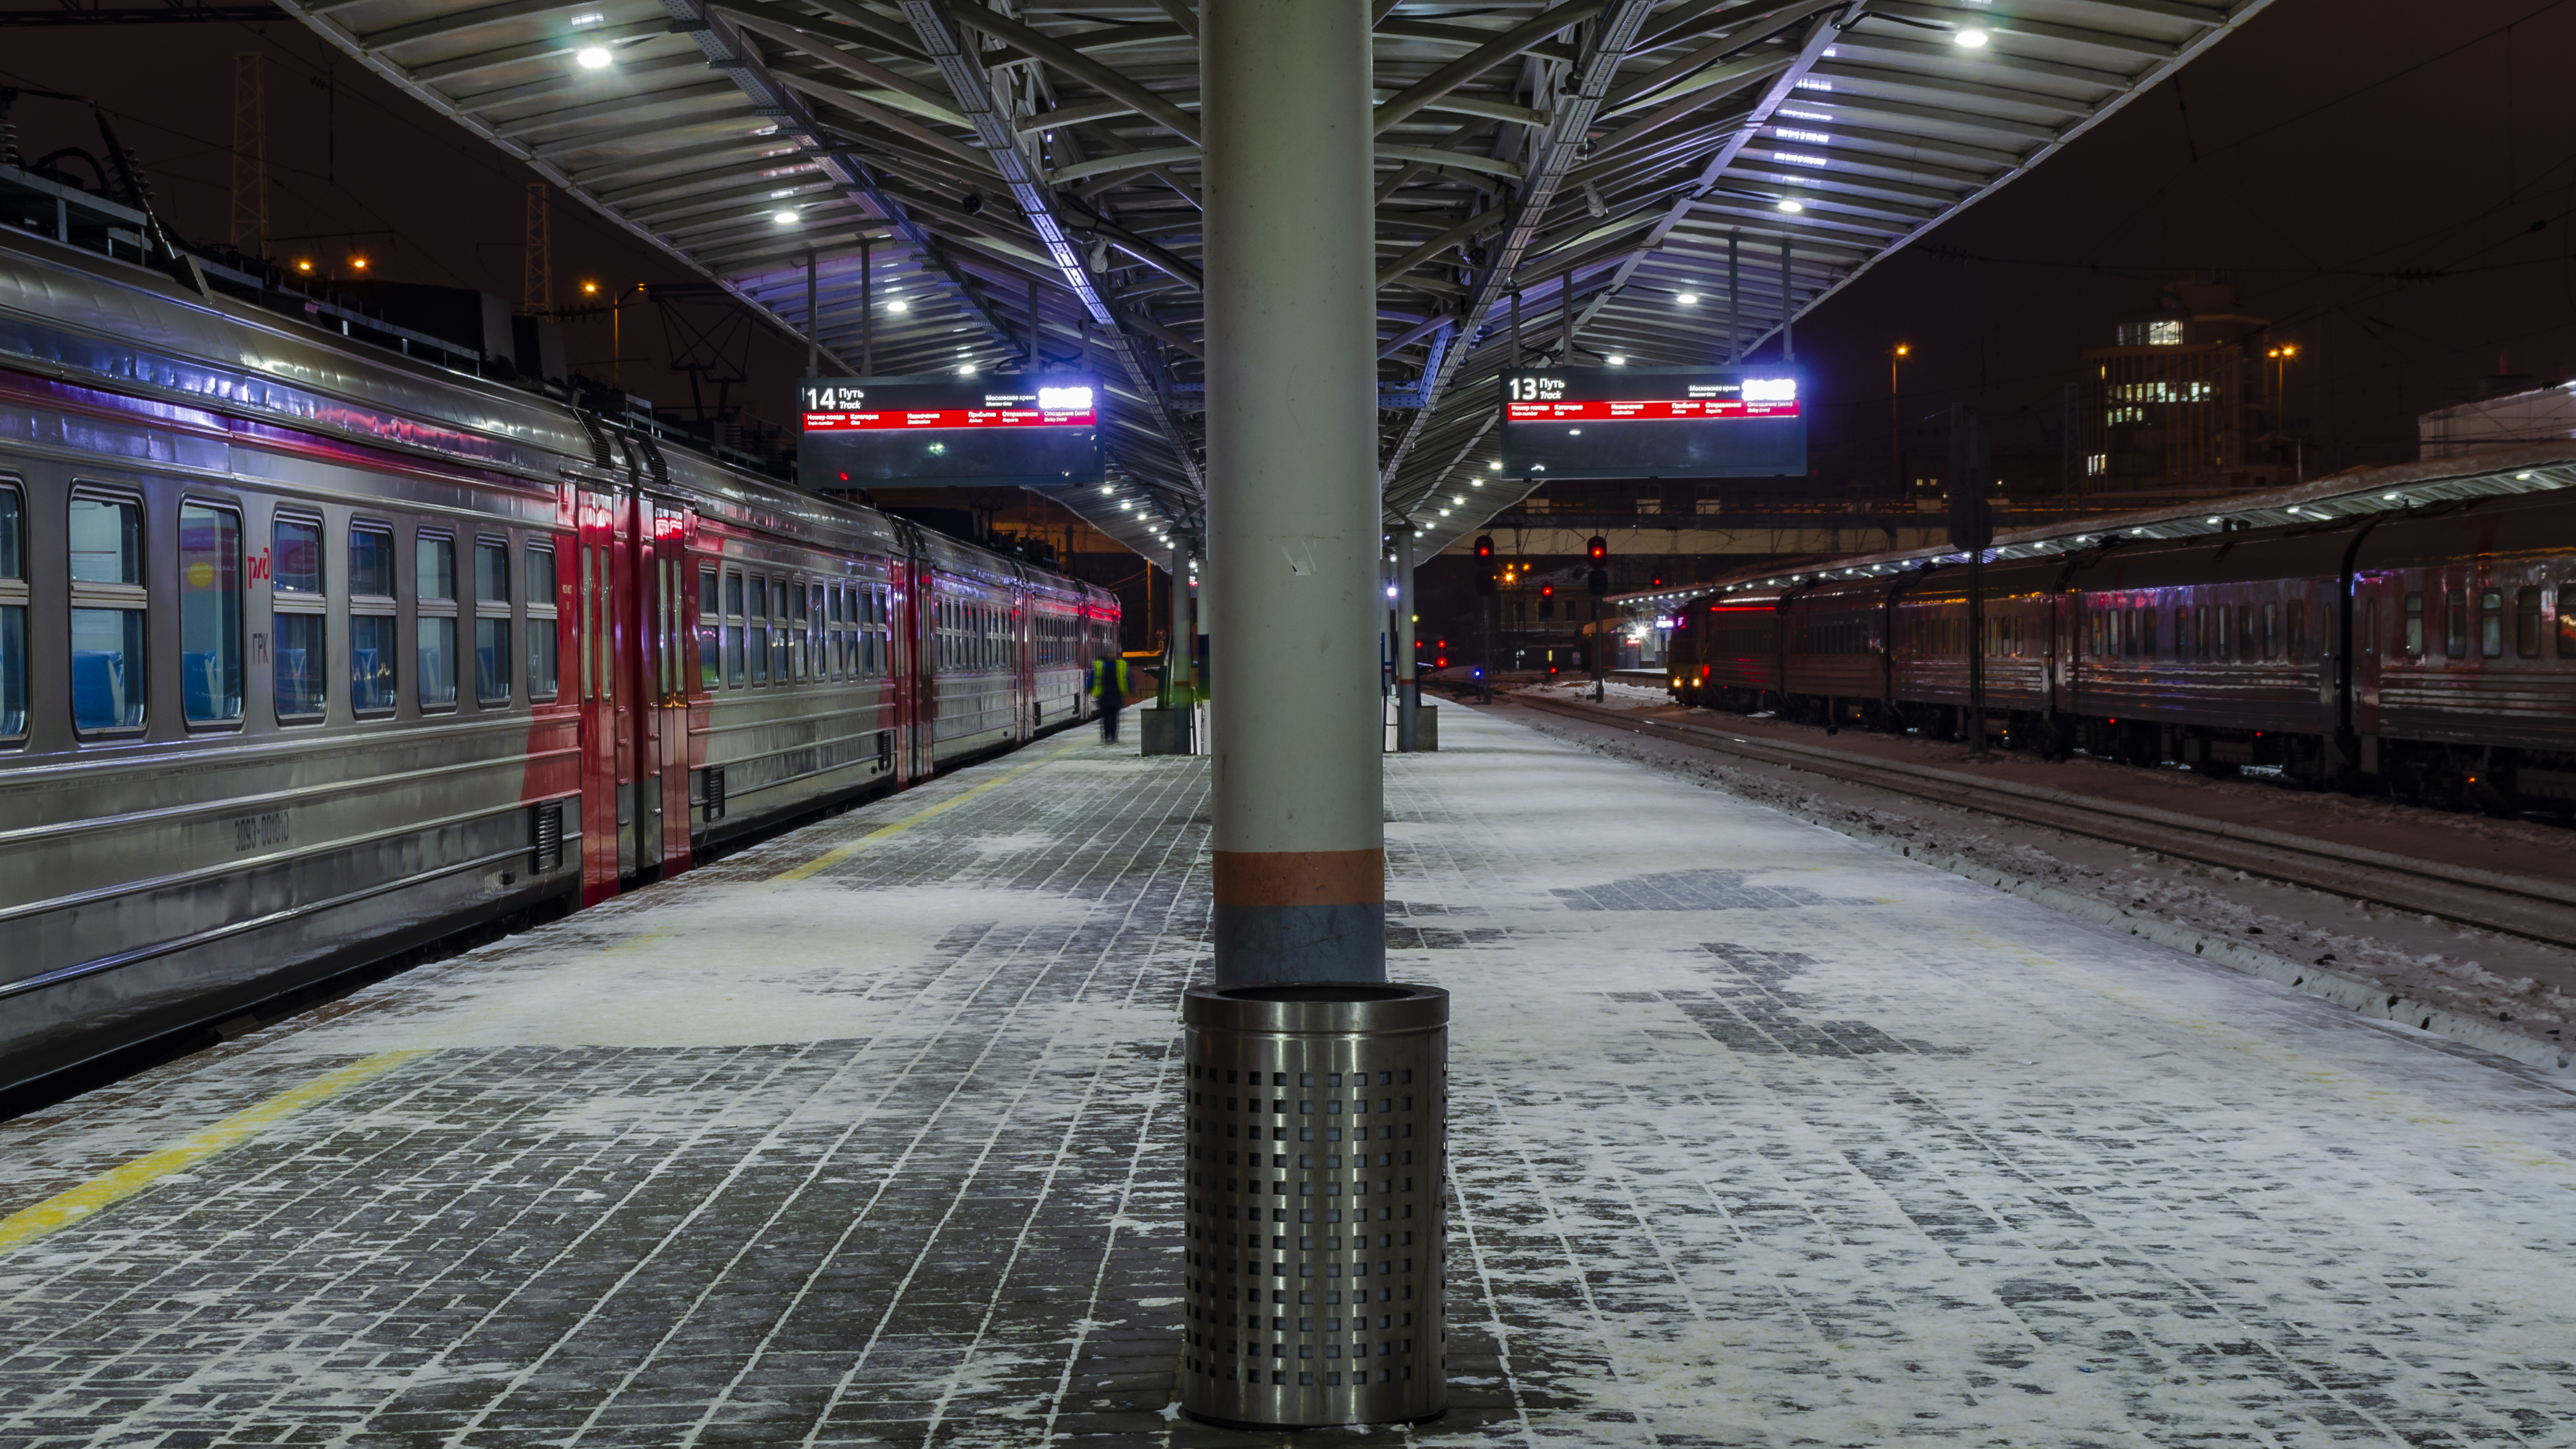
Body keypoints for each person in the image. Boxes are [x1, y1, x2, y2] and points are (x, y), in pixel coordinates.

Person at [1091, 653, 1130, 742]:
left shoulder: (1100, 666)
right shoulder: (1120, 666)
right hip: (1115, 697)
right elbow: (1127, 679)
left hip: (1104, 697)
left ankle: (1107, 736)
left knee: (1106, 718)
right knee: (1114, 718)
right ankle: (1112, 736)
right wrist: (1128, 691)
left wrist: (1090, 689)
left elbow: (1092, 679)